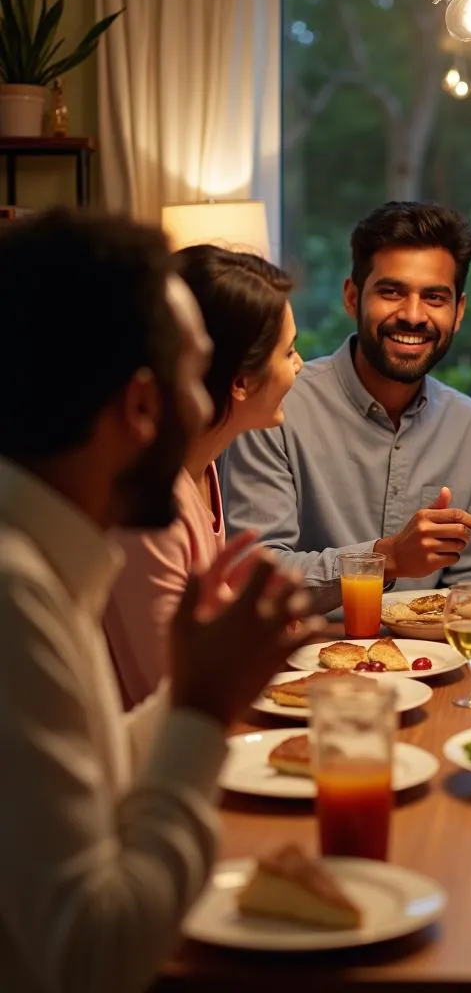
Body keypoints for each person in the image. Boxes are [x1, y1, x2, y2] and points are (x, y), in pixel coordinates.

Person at [0, 209, 322, 993]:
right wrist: (204, 711)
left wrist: (201, 680)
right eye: (195, 371)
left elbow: (100, 770)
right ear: (144, 406)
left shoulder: (47, 562)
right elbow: (93, 958)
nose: (208, 400)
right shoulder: (15, 598)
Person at [222, 201, 471, 612]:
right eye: (391, 292)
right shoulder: (275, 406)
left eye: (434, 297)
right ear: (352, 296)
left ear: (458, 311)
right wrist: (386, 558)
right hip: (302, 660)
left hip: (434, 661)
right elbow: (255, 572)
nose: (413, 315)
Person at [104, 246, 304, 707]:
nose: (298, 365)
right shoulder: (152, 507)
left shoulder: (204, 467)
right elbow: (170, 689)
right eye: (288, 351)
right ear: (240, 381)